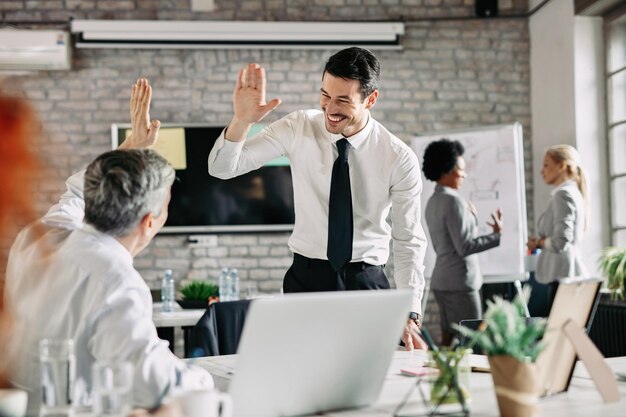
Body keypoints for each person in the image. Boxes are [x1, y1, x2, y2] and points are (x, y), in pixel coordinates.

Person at [4, 79, 213, 415]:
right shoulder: (117, 282)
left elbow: (75, 192)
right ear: (149, 222)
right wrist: (205, 377)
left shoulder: (37, 236)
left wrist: (131, 146)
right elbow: (153, 382)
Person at [208, 47, 428, 350]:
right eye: (325, 95)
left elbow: (408, 240)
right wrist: (241, 121)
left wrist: (410, 310)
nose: (330, 108)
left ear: (371, 99)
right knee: (304, 379)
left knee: (368, 382)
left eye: (342, 100)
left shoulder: (398, 157)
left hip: (366, 283)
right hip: (307, 279)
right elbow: (222, 168)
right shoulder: (298, 126)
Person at [422, 139, 503, 346]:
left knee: (448, 340)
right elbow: (465, 246)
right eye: (460, 169)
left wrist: (472, 218)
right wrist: (495, 235)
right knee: (474, 342)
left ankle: (444, 378)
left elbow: (450, 241)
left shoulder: (433, 201)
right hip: (461, 284)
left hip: (442, 281)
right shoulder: (454, 201)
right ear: (447, 170)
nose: (464, 175)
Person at [527, 144, 588, 312]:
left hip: (562, 276)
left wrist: (539, 242)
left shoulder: (564, 195)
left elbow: (561, 241)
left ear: (561, 166)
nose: (542, 171)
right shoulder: (570, 192)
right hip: (564, 275)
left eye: (546, 165)